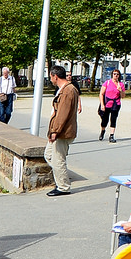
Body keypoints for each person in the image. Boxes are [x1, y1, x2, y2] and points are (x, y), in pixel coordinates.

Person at [45, 64, 79, 196]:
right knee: (49, 155)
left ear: (55, 76)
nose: (50, 80)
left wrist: (55, 131)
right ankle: (61, 179)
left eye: (51, 77)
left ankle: (63, 186)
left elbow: (62, 114)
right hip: (61, 131)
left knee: (58, 159)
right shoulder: (66, 89)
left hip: (63, 132)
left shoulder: (67, 91)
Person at [98, 70, 125, 140]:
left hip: (116, 104)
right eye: (114, 74)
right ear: (112, 75)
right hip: (107, 103)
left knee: (113, 119)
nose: (116, 75)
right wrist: (102, 104)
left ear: (119, 76)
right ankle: (103, 131)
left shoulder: (121, 84)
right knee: (104, 120)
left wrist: (120, 90)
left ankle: (111, 135)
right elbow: (101, 94)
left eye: (117, 74)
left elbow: (123, 96)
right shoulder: (107, 83)